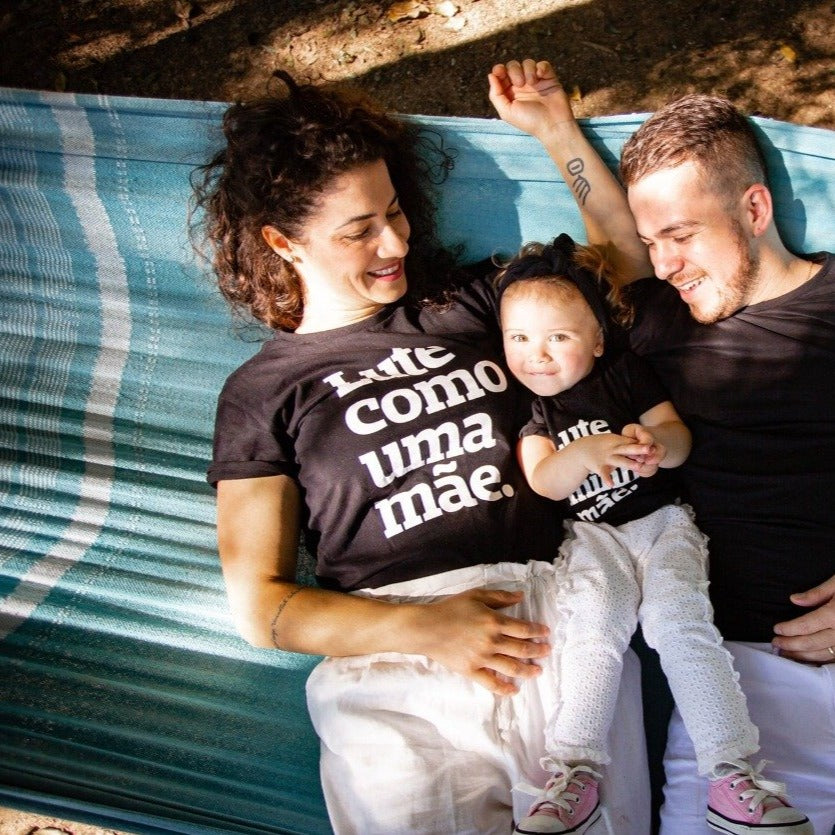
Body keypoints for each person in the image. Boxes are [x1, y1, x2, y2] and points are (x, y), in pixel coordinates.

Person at [193, 59, 652, 834]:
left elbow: (629, 270)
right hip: (393, 665)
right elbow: (262, 607)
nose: (394, 240)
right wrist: (425, 626)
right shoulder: (262, 390)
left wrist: (555, 131)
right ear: (282, 241)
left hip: (558, 631)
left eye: (395, 211)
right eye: (359, 230)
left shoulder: (468, 305)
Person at [494, 233, 811, 835]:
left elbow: (677, 435)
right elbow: (544, 480)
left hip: (664, 524)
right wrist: (584, 453)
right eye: (519, 339)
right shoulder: (533, 410)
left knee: (681, 624)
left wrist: (657, 446)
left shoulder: (624, 375)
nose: (536, 355)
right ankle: (574, 772)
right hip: (592, 540)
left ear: (595, 338)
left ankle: (732, 773)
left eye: (557, 337)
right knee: (593, 629)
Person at [617, 94, 835, 833]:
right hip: (741, 700)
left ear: (753, 207)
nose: (664, 263)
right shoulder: (655, 320)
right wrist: (554, 131)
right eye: (651, 240)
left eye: (680, 234)